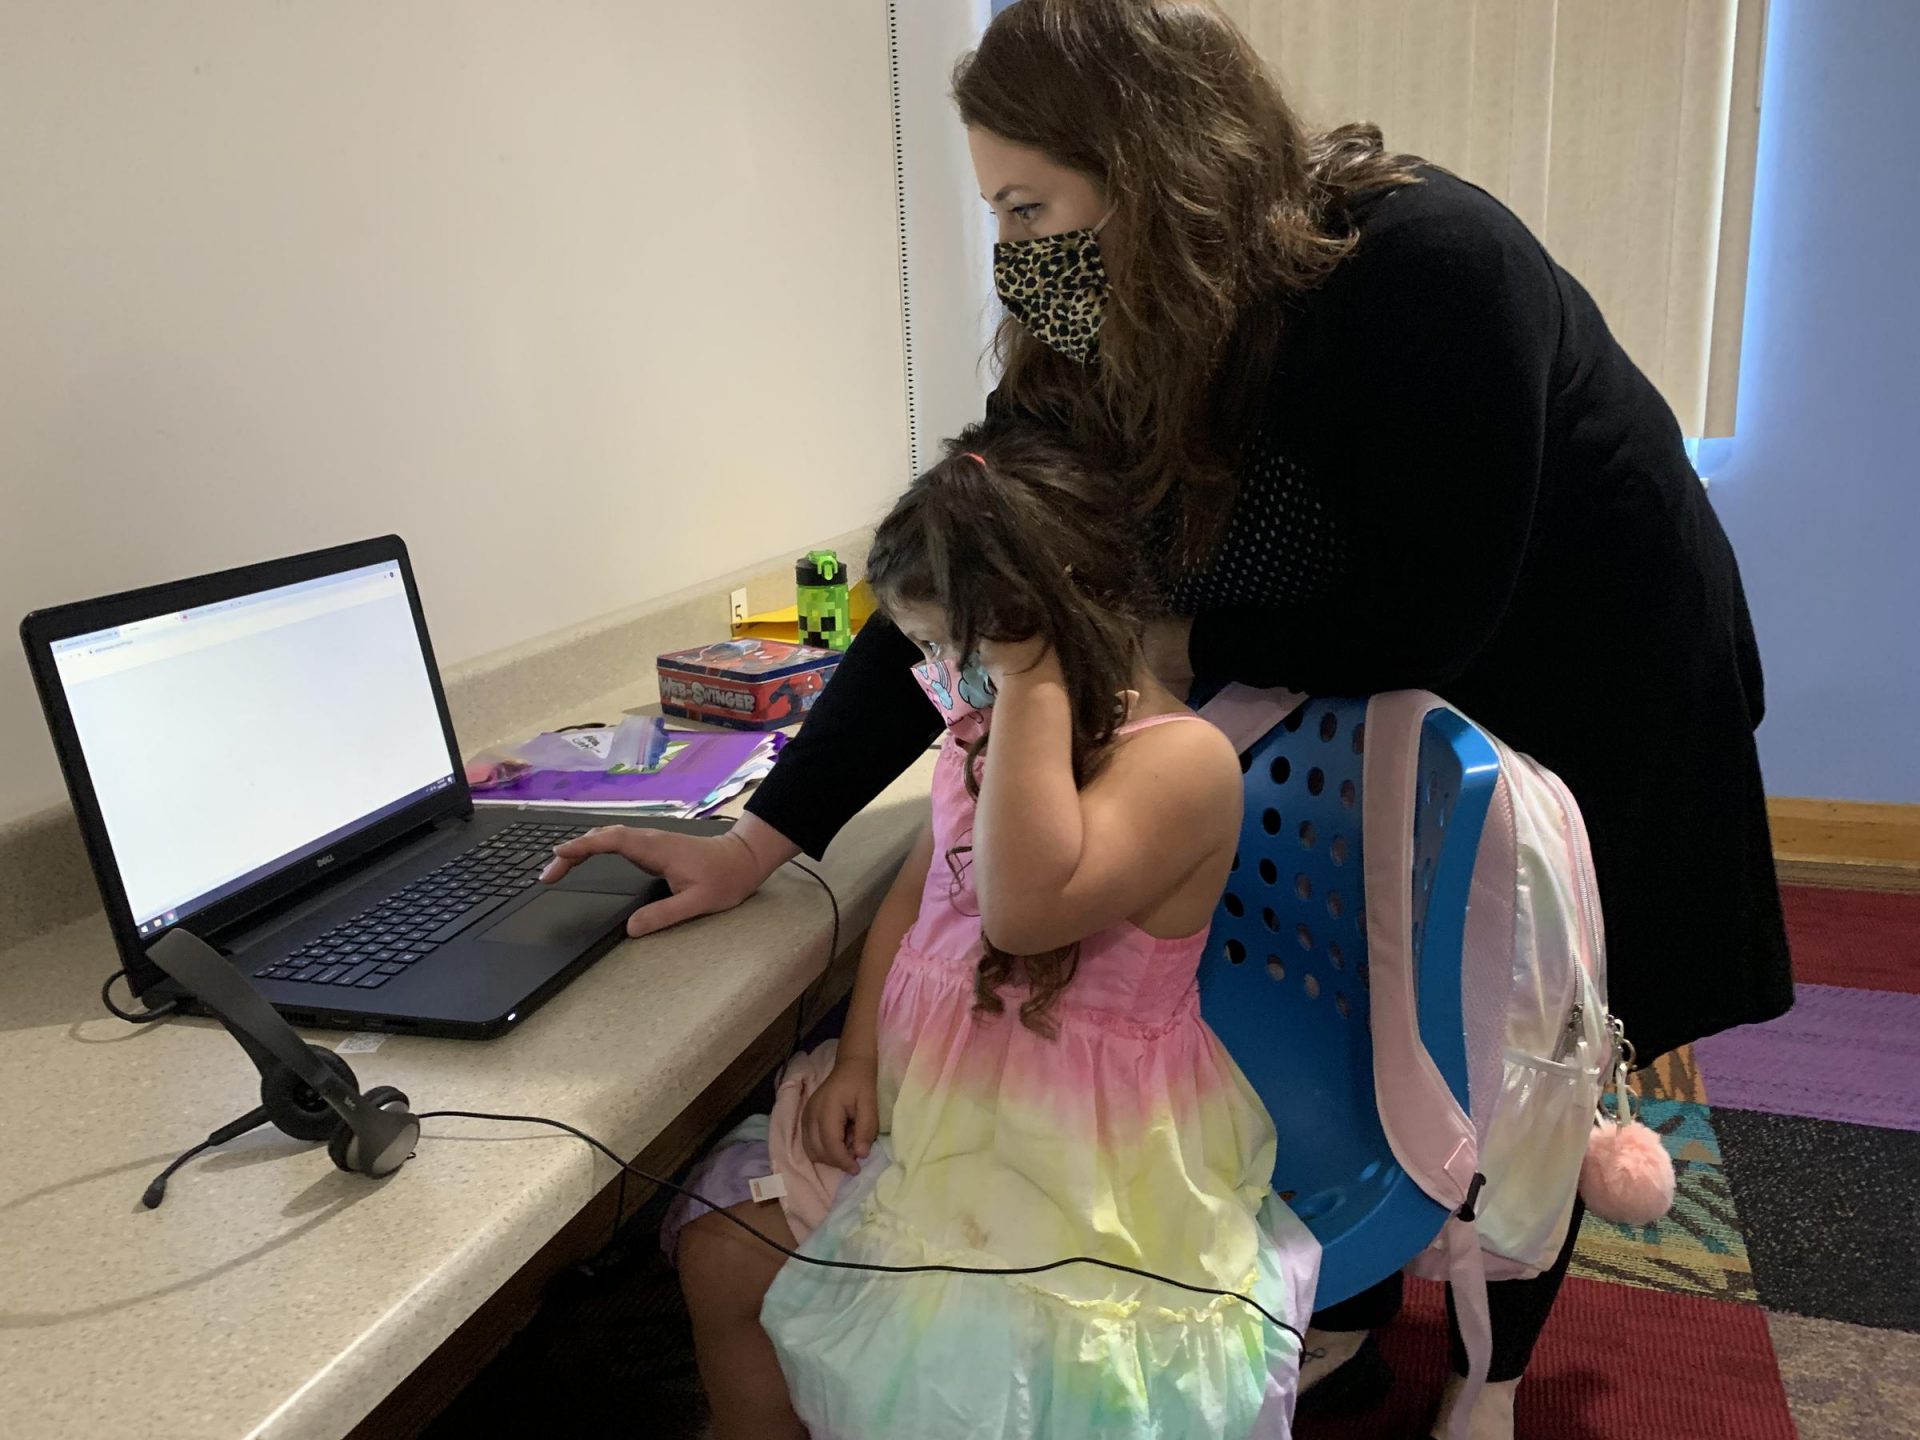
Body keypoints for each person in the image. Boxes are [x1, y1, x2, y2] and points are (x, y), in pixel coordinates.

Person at [543, 3, 1794, 1434]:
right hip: (1364, 662)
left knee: (1518, 1024)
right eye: (995, 214)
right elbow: (970, 573)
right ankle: (1343, 1310)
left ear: (1146, 163)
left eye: (1028, 205)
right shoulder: (1102, 324)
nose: (1014, 251)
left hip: (1581, 660)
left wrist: (1144, 631)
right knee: (1370, 976)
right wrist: (764, 839)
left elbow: (1421, 618)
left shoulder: (1427, 267)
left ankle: (1492, 1380)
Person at [656, 426, 1318, 1440]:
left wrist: (1032, 685)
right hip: (939, 1116)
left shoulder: (1183, 766)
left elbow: (1021, 906)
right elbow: (920, 905)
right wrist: (864, 1057)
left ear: (1048, 624)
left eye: (953, 649)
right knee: (715, 1257)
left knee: (969, 1393)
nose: (937, 676)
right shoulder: (985, 735)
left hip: (1077, 1178)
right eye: (926, 647)